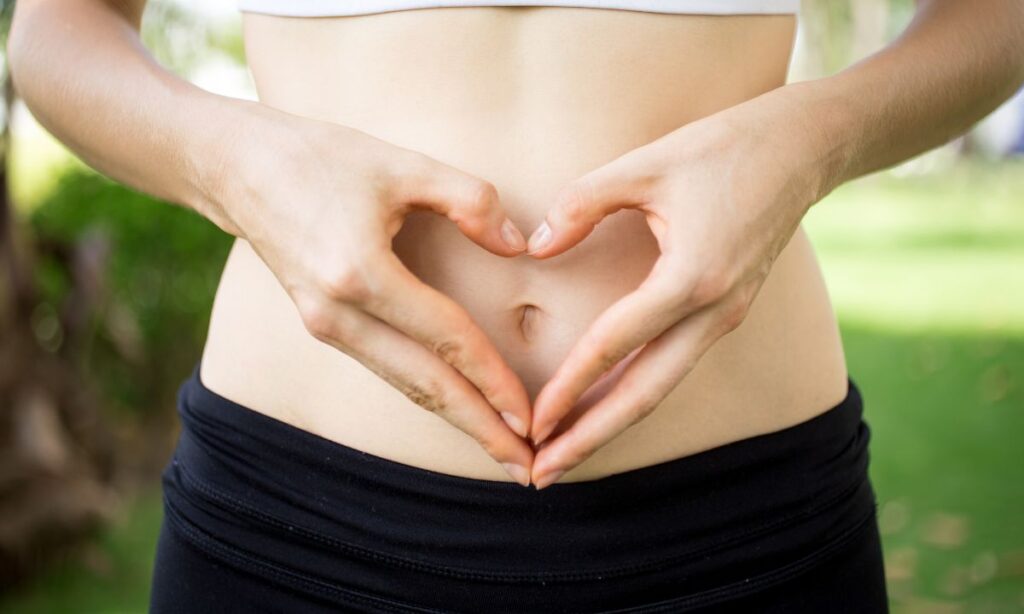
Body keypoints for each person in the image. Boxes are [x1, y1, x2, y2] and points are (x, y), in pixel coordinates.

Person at [9, 0, 1024, 611]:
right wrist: (241, 163)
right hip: (298, 513)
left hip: (738, 522)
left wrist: (810, 143)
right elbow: (60, 35)